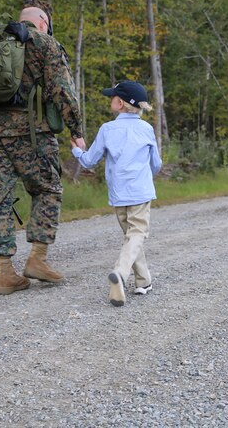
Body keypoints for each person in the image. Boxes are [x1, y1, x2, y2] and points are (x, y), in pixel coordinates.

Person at [0, 0, 86, 295]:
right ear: (42, 22)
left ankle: (5, 274)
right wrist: (76, 130)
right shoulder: (43, 42)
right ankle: (37, 259)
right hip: (33, 135)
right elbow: (61, 90)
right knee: (48, 190)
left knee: (0, 200)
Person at [71, 80, 162, 306]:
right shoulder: (147, 129)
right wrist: (144, 178)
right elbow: (156, 164)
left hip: (119, 195)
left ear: (120, 103)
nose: (110, 99)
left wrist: (76, 151)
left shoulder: (107, 129)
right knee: (137, 235)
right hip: (140, 192)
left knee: (131, 236)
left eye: (112, 97)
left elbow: (90, 161)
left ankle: (143, 281)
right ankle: (121, 274)